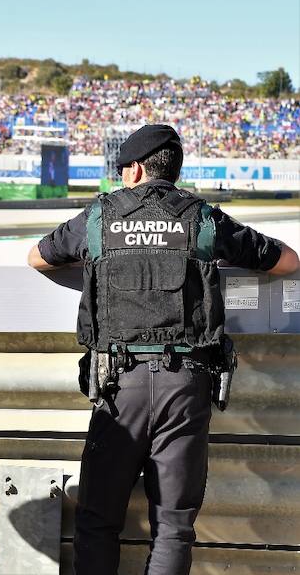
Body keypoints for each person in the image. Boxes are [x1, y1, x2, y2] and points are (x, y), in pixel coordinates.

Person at [27, 124, 299, 575]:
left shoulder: (100, 217)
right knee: (173, 525)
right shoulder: (203, 218)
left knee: (97, 520)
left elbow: (37, 257)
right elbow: (286, 260)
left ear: (134, 170)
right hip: (185, 385)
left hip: (118, 385)